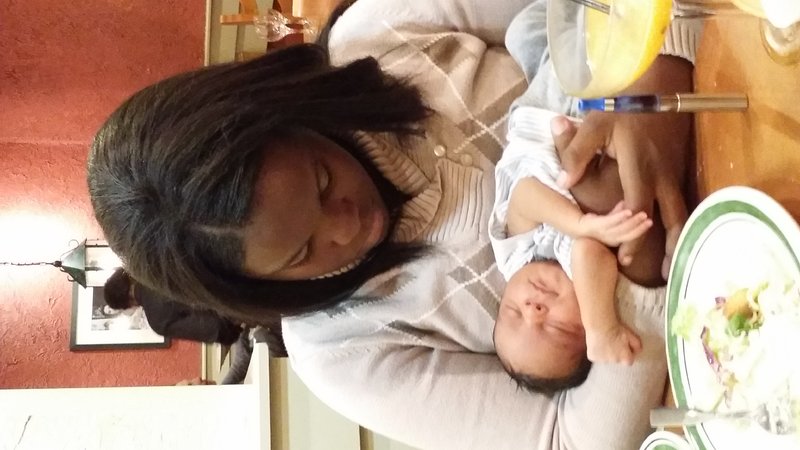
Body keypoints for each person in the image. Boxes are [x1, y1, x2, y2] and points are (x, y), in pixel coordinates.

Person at [87, 1, 698, 448]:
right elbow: (569, 440)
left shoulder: (380, 33)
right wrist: (633, 258)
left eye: (322, 180)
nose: (347, 226)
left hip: (732, 94)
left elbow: (589, 9)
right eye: (303, 252)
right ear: (260, 287)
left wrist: (653, 91)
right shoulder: (340, 352)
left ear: (291, 114)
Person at [103, 268, 243, 345]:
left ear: (128, 305)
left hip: (240, 309)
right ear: (128, 276)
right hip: (234, 269)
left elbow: (214, 329)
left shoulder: (157, 322)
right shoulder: (155, 265)